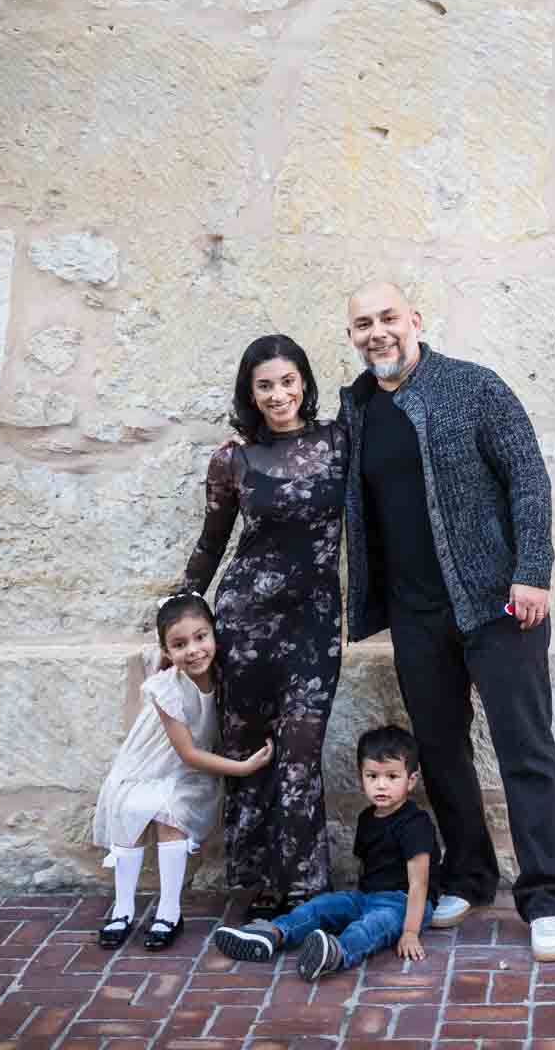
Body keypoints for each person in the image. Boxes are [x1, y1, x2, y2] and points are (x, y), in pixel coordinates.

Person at [339, 280, 555, 964]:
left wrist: (532, 571)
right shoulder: (356, 409)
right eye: (362, 324)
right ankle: (469, 877)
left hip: (499, 605)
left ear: (415, 319)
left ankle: (548, 899)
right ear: (351, 337)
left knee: (524, 751)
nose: (377, 332)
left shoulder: (474, 387)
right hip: (416, 614)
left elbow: (527, 478)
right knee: (441, 752)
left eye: (387, 318)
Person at [177, 334, 347, 912]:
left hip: (315, 627)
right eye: (265, 385)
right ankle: (263, 886)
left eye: (288, 380)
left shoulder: (339, 442)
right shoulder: (233, 458)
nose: (279, 394)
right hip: (244, 627)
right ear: (250, 393)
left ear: (304, 381)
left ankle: (307, 889)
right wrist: (178, 617)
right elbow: (211, 543)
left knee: (300, 752)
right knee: (251, 753)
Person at [93, 592, 272, 950]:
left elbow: (192, 761)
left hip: (187, 776)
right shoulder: (166, 689)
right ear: (166, 651)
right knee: (130, 808)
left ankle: (169, 911)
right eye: (179, 644)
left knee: (171, 813)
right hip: (149, 766)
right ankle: (123, 907)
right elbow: (187, 752)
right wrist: (241, 767)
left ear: (213, 635)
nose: (193, 650)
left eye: (200, 637)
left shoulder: (223, 674)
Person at [210, 724, 441, 979]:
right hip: (365, 897)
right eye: (372, 776)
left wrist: (410, 932)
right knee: (320, 906)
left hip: (402, 902)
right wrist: (353, 902)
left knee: (371, 926)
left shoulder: (415, 824)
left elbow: (419, 883)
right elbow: (365, 865)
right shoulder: (367, 818)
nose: (381, 785)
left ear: (411, 780)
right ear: (361, 777)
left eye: (392, 777)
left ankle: (336, 952)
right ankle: (273, 934)